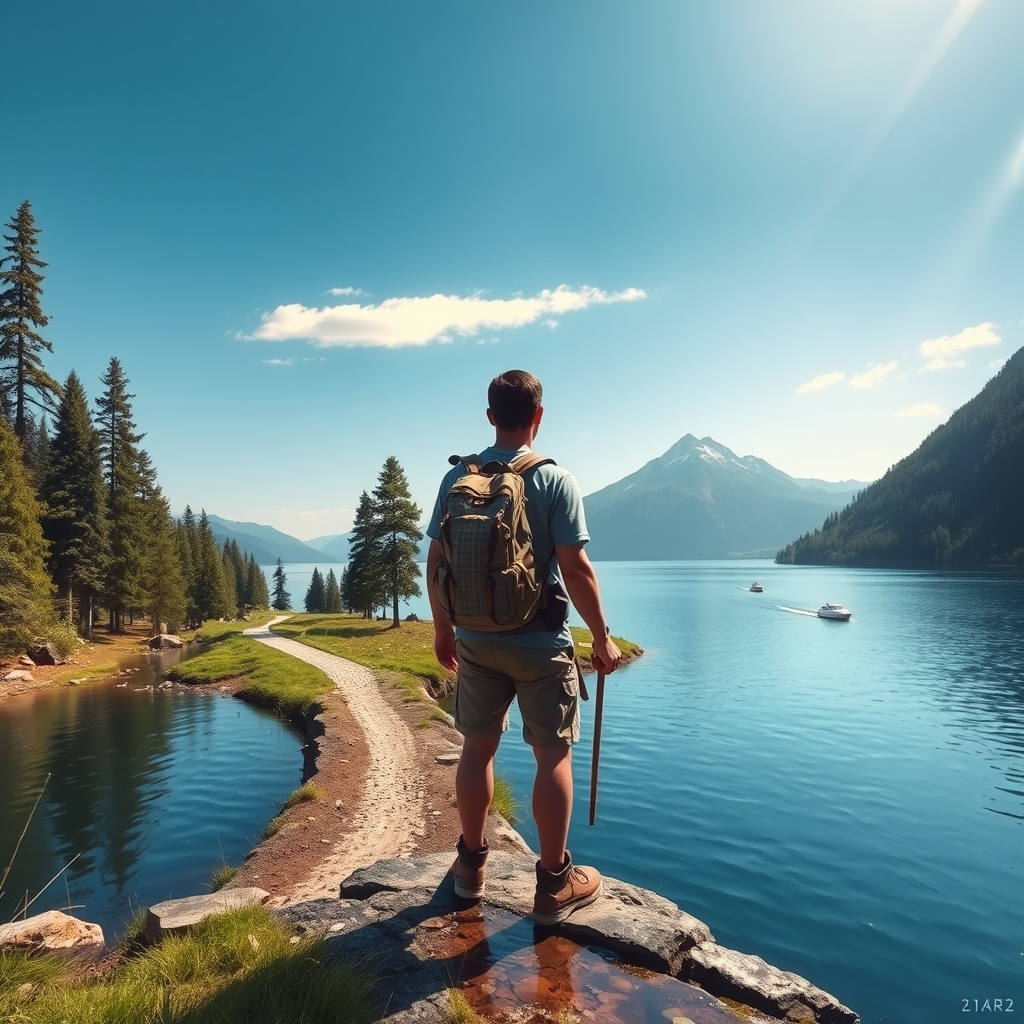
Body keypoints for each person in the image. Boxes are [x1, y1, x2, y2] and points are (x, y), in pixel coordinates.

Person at [425, 369, 622, 925]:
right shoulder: (555, 480)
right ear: (539, 416)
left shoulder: (456, 478)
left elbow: (436, 562)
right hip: (539, 641)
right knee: (551, 754)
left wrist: (444, 629)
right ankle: (555, 882)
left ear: (490, 416)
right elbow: (576, 568)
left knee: (477, 748)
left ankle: (469, 868)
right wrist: (601, 636)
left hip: (475, 640)